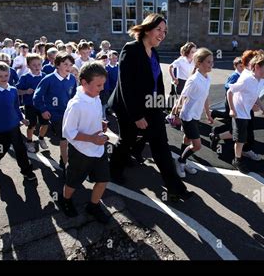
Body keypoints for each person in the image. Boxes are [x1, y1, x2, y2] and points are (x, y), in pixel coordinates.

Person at [108, 13, 194, 202]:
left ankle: (174, 188)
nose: (162, 34)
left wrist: (160, 106)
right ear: (147, 29)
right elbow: (125, 86)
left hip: (151, 105)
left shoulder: (154, 52)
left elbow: (157, 82)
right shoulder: (131, 49)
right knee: (127, 139)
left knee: (161, 145)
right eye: (159, 29)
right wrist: (137, 115)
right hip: (128, 106)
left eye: (165, 31)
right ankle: (113, 170)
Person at [58, 62, 111, 222]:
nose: (101, 88)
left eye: (103, 84)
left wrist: (100, 122)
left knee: (103, 179)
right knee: (72, 183)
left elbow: (91, 117)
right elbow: (68, 132)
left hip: (98, 149)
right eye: (98, 85)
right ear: (84, 83)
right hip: (81, 152)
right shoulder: (76, 104)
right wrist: (93, 139)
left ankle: (93, 206)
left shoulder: (94, 96)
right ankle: (65, 200)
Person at [0, 62, 36, 181]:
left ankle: (27, 171)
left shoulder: (13, 90)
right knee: (1, 149)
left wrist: (22, 118)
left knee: (20, 149)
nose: (4, 79)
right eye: (1, 76)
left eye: (6, 75)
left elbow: (16, 107)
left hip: (14, 127)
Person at [172, 48, 214, 178]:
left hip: (196, 115)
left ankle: (182, 160)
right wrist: (176, 112)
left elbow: (205, 97)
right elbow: (183, 96)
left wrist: (208, 114)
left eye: (212, 61)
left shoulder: (207, 78)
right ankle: (180, 161)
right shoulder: (194, 79)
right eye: (208, 62)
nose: (211, 64)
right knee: (197, 146)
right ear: (199, 63)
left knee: (187, 138)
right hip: (187, 116)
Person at [227, 51, 264, 170]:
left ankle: (217, 136)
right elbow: (230, 91)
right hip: (239, 112)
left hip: (246, 112)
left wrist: (261, 106)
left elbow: (255, 95)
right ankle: (237, 160)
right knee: (240, 139)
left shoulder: (261, 80)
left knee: (243, 136)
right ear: (257, 67)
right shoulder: (247, 79)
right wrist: (232, 109)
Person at [33, 52, 77, 171]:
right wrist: (43, 110)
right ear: (57, 65)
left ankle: (63, 159)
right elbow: (37, 97)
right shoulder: (48, 79)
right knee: (64, 138)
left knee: (71, 138)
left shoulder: (72, 79)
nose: (68, 67)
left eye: (71, 64)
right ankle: (66, 165)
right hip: (56, 115)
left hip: (69, 113)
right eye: (65, 64)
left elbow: (75, 96)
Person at [209, 51, 259, 150]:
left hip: (242, 105)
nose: (242, 68)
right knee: (232, 123)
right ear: (236, 66)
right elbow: (228, 88)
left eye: (243, 66)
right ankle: (217, 131)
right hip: (234, 103)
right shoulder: (235, 76)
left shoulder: (248, 75)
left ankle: (217, 131)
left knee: (233, 124)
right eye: (240, 66)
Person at [16, 53, 49, 153]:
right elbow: (16, 90)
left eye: (39, 64)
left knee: (45, 123)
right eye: (34, 65)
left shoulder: (45, 76)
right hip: (30, 105)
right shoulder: (25, 77)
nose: (37, 67)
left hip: (43, 105)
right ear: (28, 65)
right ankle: (29, 141)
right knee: (32, 125)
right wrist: (25, 91)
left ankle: (41, 138)